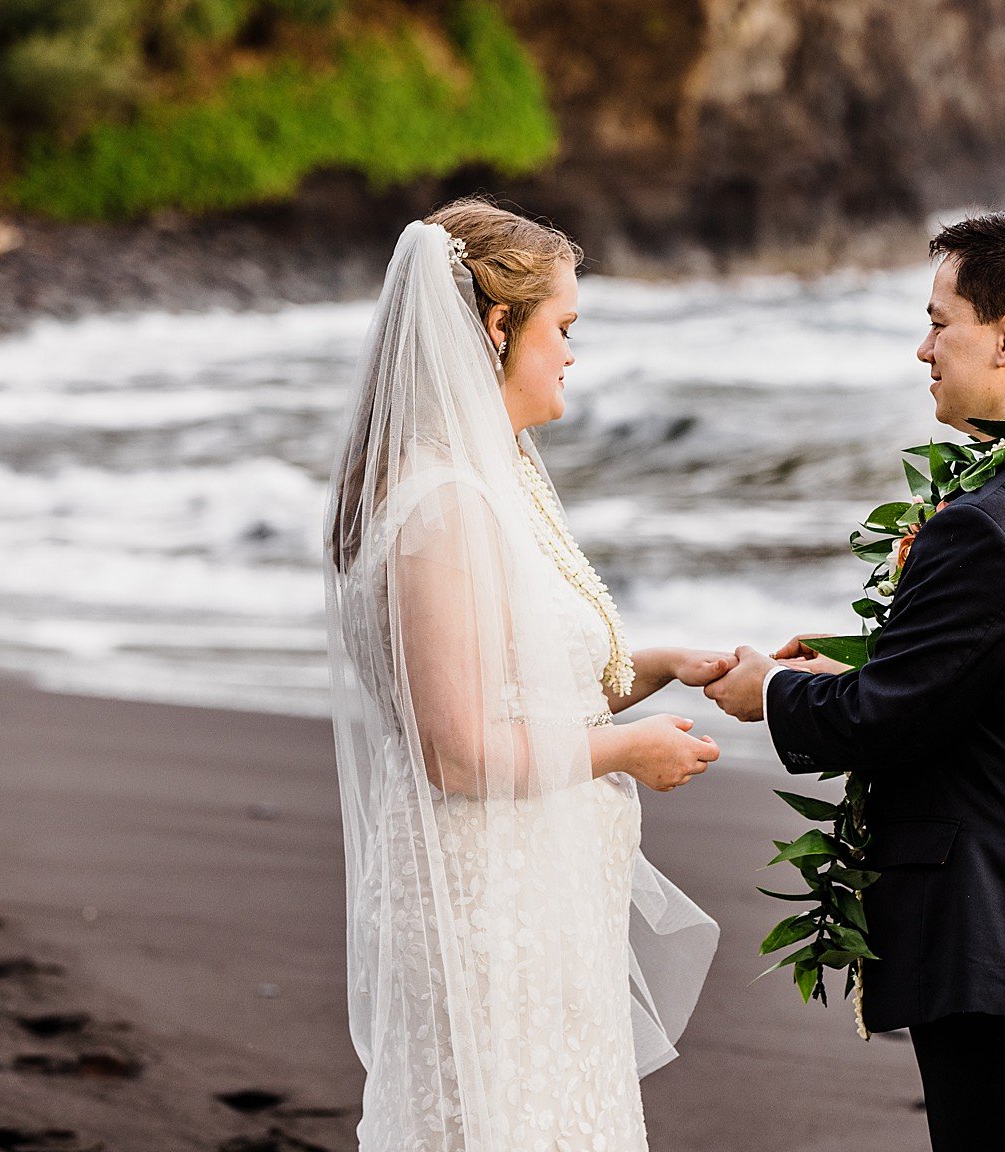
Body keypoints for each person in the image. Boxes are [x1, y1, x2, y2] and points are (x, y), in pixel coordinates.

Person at [707, 211, 1005, 1151]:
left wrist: (773, 693)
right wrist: (872, 665)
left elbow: (887, 720)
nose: (922, 348)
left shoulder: (984, 524)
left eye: (939, 320)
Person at [324, 198, 729, 1149]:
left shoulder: (486, 476)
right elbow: (458, 751)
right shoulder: (444, 507)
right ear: (500, 326)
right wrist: (628, 749)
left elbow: (523, 685)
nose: (572, 355)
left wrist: (662, 667)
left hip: (538, 904)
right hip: (484, 913)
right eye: (564, 327)